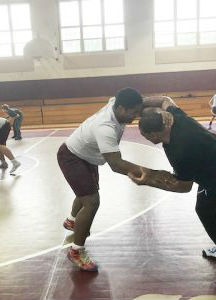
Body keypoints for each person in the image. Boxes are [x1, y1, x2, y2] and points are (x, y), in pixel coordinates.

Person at [129, 98, 216, 300]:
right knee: (204, 209)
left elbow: (183, 186)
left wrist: (149, 179)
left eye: (145, 135)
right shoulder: (175, 117)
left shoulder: (181, 150)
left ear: (156, 133)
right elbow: (164, 99)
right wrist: (139, 105)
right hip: (210, 173)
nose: (145, 138)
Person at [57, 87, 171, 272]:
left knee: (87, 190)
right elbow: (116, 164)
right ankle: (76, 251)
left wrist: (166, 107)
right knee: (92, 201)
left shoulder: (116, 102)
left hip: (87, 156)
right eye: (133, 112)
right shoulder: (105, 127)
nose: (136, 116)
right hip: (71, 156)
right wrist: (150, 173)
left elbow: (151, 101)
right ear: (120, 109)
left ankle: (71, 221)